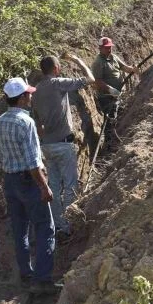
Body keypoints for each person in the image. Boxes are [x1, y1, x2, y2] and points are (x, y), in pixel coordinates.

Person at [0, 77, 58, 293]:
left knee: (20, 230)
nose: (31, 97)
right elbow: (32, 162)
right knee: (46, 228)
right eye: (28, 94)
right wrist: (44, 187)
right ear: (21, 98)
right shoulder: (26, 122)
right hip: (29, 182)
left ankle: (26, 274)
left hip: (10, 181)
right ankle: (42, 280)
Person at [33, 53, 95, 243]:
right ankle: (70, 225)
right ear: (57, 68)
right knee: (70, 187)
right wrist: (78, 60)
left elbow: (37, 123)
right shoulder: (58, 83)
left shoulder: (35, 91)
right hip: (63, 144)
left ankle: (59, 226)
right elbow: (90, 79)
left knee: (53, 186)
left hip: (47, 146)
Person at [91, 37, 137, 115]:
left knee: (121, 116)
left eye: (110, 47)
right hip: (107, 97)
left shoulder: (114, 57)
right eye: (106, 48)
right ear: (100, 48)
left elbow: (124, 67)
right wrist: (111, 90)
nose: (109, 49)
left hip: (118, 94)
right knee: (111, 118)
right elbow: (98, 81)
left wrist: (133, 69)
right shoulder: (98, 63)